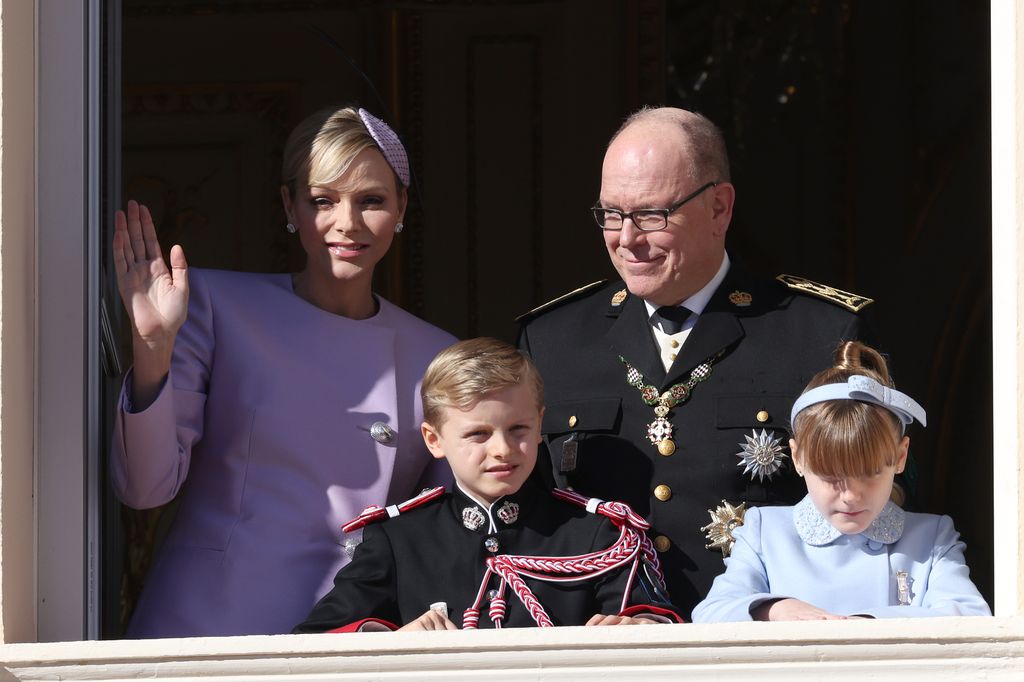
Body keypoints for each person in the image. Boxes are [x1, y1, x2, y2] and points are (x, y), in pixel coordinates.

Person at [517, 106, 884, 617]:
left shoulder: (818, 334)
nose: (627, 240)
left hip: (761, 647)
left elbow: (880, 504)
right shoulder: (551, 340)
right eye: (611, 215)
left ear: (719, 209)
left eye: (651, 215)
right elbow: (520, 515)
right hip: (598, 646)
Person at [110, 106, 456, 638]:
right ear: (288, 204)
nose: (348, 223)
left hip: (352, 639)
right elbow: (145, 488)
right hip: (211, 628)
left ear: (402, 206)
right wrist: (153, 347)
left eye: (372, 201)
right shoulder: (217, 305)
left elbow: (448, 535)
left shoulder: (438, 355)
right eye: (323, 201)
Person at [293, 338, 681, 633]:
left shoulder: (598, 533)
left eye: (519, 429)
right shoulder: (399, 539)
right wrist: (390, 641)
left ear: (540, 422)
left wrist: (636, 629)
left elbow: (655, 627)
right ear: (434, 440)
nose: (502, 449)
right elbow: (316, 641)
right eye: (478, 434)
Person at [691, 342, 990, 621]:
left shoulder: (931, 538)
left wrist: (862, 625)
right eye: (831, 477)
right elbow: (711, 613)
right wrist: (774, 609)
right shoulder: (764, 532)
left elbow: (969, 615)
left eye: (871, 473)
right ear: (797, 458)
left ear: (901, 456)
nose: (851, 496)